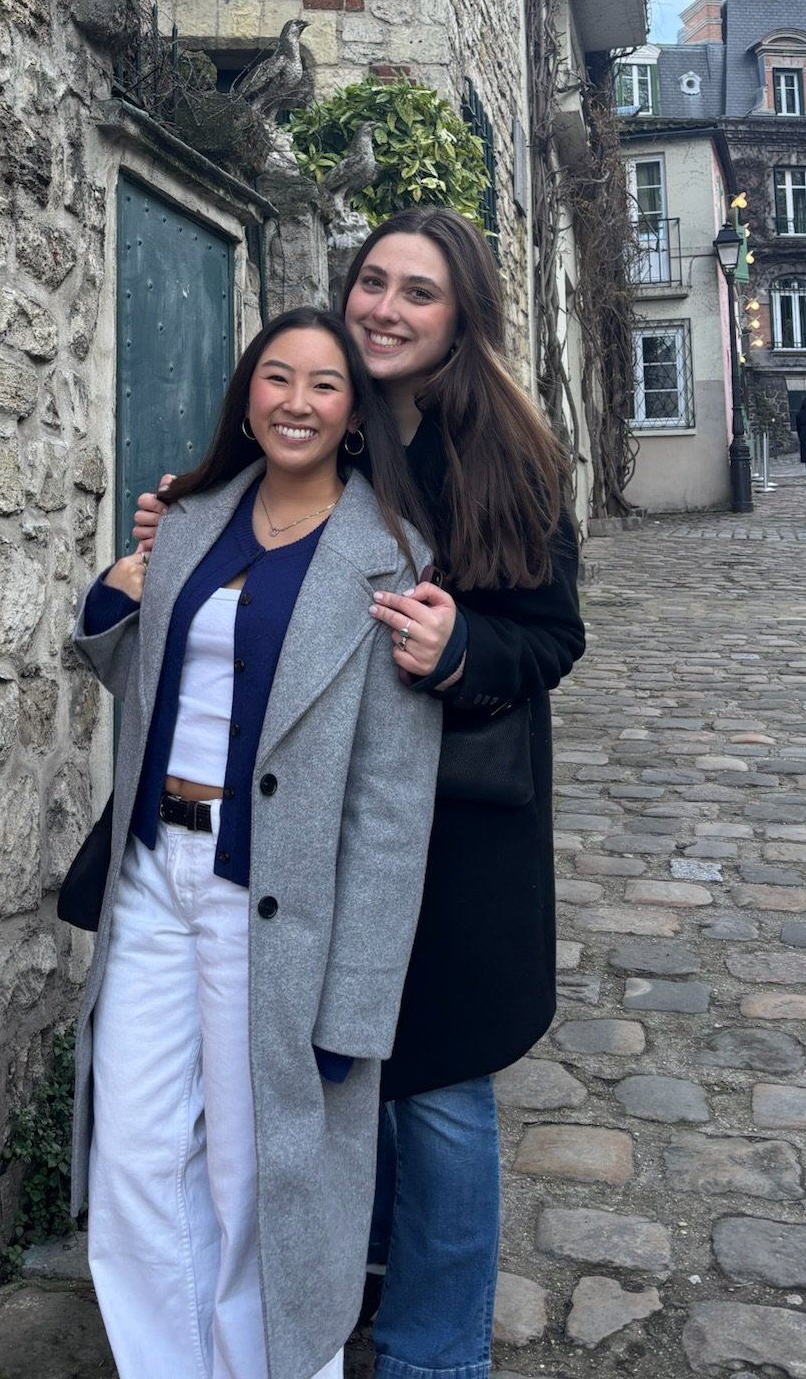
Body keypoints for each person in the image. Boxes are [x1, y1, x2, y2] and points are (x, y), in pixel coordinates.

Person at [136, 209, 586, 1379]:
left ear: (461, 314)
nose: (385, 306)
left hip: (452, 828)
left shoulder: (506, 450)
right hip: (309, 816)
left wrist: (460, 646)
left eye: (417, 291)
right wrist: (181, 530)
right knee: (329, 1070)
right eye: (371, 280)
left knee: (434, 1082)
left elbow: (551, 634)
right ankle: (343, 1279)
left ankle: (436, 1351)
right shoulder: (321, 414)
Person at [72, 308, 445, 1379]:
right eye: (276, 378)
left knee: (257, 1177)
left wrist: (356, 1001)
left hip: (273, 903)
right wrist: (114, 596)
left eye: (324, 385)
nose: (296, 402)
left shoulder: (390, 558)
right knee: (136, 1154)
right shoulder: (190, 521)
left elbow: (390, 803)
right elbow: (146, 679)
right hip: (155, 876)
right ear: (247, 398)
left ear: (353, 416)